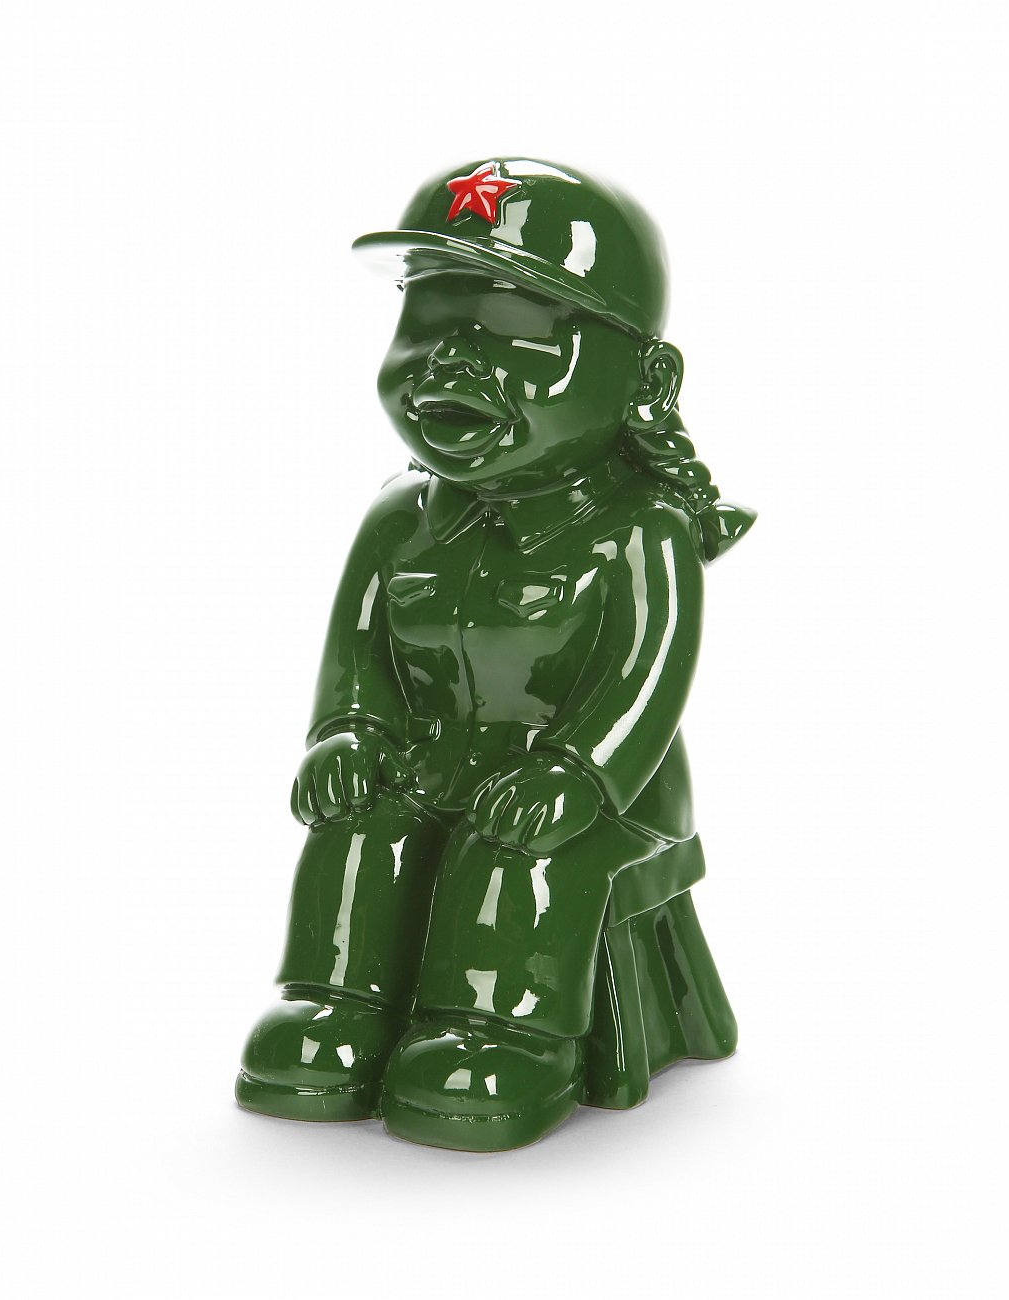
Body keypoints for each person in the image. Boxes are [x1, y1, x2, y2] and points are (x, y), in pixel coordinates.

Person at [236, 159, 754, 1151]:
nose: (447, 364)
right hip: (432, 759)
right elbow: (357, 654)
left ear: (645, 379)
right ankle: (338, 1002)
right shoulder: (397, 519)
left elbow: (643, 684)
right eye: (425, 328)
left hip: (602, 793)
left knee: (519, 848)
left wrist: (577, 771)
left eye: (517, 334)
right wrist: (346, 732)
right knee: (363, 820)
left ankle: (502, 1026)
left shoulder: (639, 530)